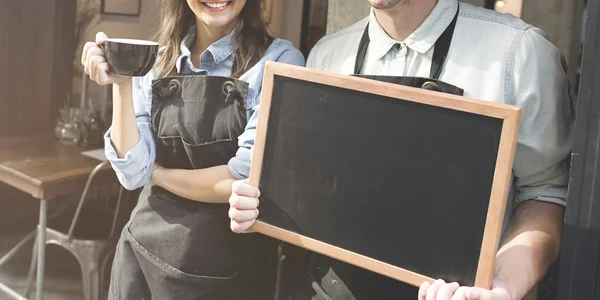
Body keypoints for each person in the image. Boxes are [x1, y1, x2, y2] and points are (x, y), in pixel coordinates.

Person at [228, 0, 574, 299]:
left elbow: (545, 194)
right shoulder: (326, 55)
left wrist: (503, 285)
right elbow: (312, 186)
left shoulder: (518, 52)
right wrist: (265, 203)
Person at [81, 0, 305, 299]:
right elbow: (133, 173)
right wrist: (121, 83)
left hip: (231, 272)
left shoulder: (279, 59)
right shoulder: (156, 58)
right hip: (142, 260)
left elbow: (244, 179)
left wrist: (158, 175)